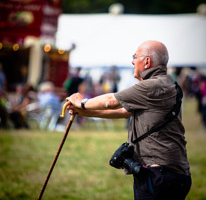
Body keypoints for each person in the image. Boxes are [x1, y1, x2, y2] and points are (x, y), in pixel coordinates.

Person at [66, 40, 191, 200]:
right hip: (171, 174)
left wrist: (81, 102)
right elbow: (124, 111)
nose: (132, 61)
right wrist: (84, 113)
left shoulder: (151, 86)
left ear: (147, 62)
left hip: (159, 176)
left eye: (135, 56)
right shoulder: (166, 83)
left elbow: (112, 101)